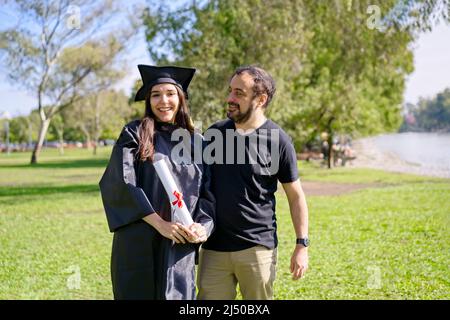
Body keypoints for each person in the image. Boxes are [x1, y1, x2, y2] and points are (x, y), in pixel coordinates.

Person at [99, 65, 215, 300]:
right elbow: (121, 182)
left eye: (170, 94)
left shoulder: (198, 143)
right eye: (156, 94)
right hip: (139, 242)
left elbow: (208, 194)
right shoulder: (135, 133)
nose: (164, 101)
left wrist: (202, 227)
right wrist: (160, 223)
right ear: (148, 100)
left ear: (180, 98)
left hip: (179, 245)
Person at [197, 65, 309, 300]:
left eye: (239, 93)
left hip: (257, 249)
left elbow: (296, 195)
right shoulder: (214, 134)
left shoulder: (278, 140)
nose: (230, 98)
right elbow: (193, 183)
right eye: (230, 91)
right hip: (213, 247)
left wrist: (302, 244)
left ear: (261, 99)